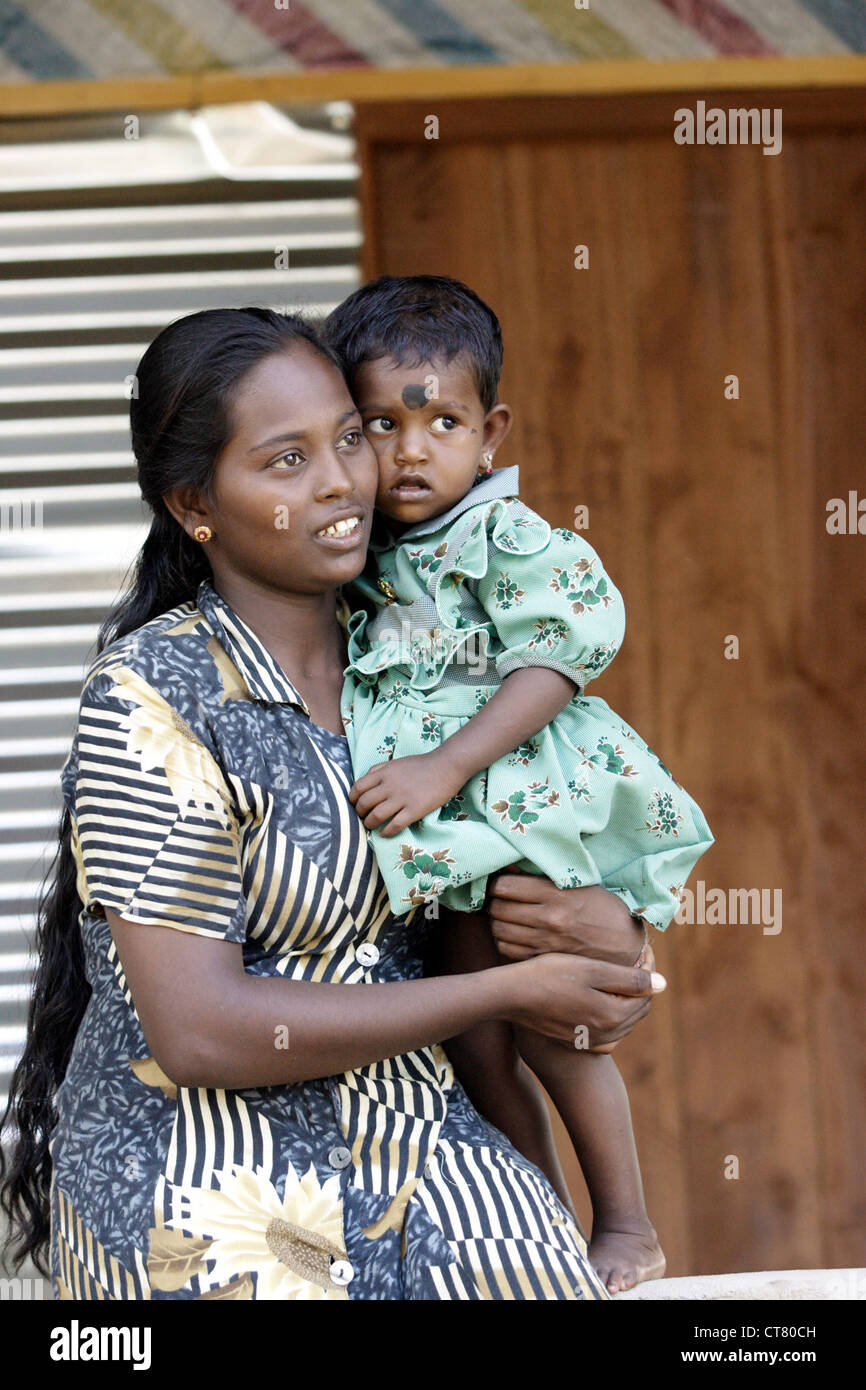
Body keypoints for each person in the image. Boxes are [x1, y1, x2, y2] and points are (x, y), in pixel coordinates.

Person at [0, 307, 661, 1301]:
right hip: (202, 1167)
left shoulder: (432, 646)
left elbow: (557, 805)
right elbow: (201, 1030)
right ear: (195, 504)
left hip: (422, 1135)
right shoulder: (153, 698)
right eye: (284, 461)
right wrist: (505, 993)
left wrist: (607, 926)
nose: (341, 481)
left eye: (347, 438)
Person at [325, 276, 714, 1292]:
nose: (410, 451)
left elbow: (559, 650)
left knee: (555, 1023)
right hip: (452, 835)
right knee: (473, 1035)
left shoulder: (503, 536)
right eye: (379, 424)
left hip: (520, 805)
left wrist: (444, 764)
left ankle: (626, 1222)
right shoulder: (366, 558)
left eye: (440, 421)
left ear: (489, 432)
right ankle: (536, 1217)